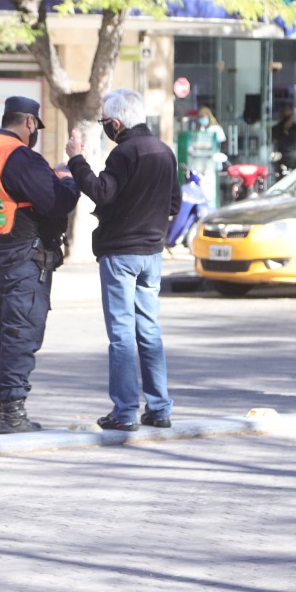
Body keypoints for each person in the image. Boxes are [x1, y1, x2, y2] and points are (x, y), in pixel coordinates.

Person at [65, 89, 181, 432]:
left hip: (121, 253)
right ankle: (159, 408)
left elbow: (101, 191)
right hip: (152, 254)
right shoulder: (164, 151)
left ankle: (125, 411)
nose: (105, 127)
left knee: (121, 334)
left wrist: (76, 160)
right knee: (149, 330)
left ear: (116, 123)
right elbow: (173, 205)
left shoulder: (123, 153)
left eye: (104, 122)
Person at [0, 96, 80, 434]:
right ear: (30, 123)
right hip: (24, 254)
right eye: (35, 128)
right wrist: (67, 177)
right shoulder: (19, 156)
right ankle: (11, 414)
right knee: (20, 332)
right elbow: (57, 203)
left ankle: (1, 411)